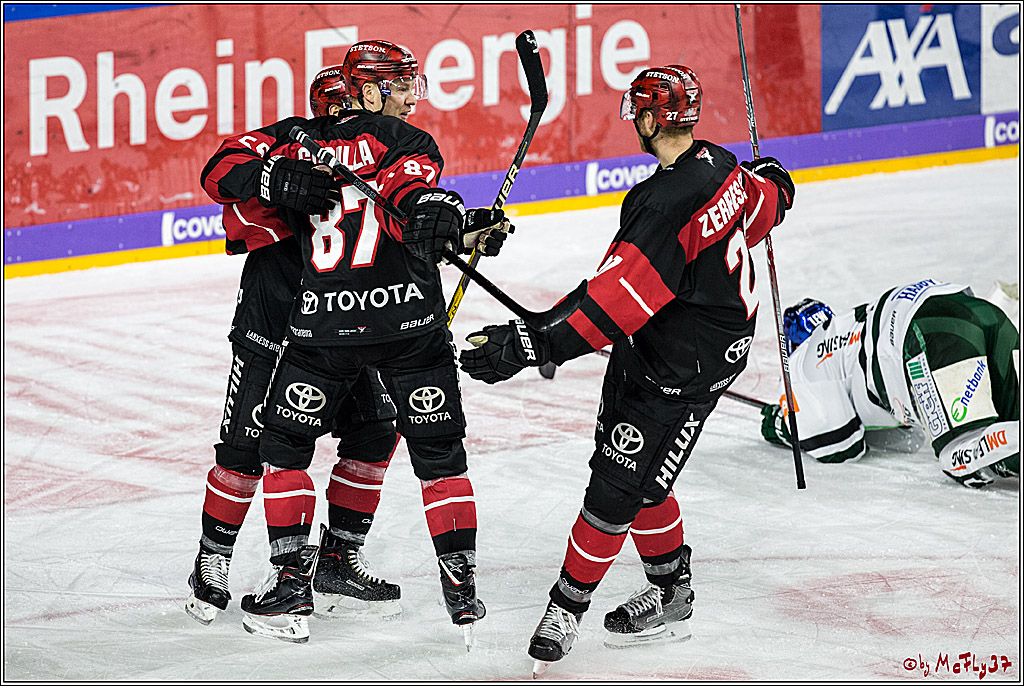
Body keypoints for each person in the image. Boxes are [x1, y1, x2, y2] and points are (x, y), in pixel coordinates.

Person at [459, 65, 795, 671]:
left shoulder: (661, 205)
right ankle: (670, 589)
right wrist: (775, 179)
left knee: (615, 487)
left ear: (648, 119)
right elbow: (770, 202)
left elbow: (614, 304)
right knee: (645, 481)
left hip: (676, 372)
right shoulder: (724, 167)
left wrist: (527, 346)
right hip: (679, 352)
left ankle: (566, 607)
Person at [198, 40, 507, 644]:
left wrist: (462, 229)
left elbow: (406, 215)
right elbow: (222, 175)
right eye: (334, 107)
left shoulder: (317, 148)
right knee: (245, 444)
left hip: (330, 325)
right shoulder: (319, 148)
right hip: (280, 323)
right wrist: (272, 179)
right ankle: (213, 563)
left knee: (372, 433)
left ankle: (334, 561)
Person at [759, 281, 1019, 488]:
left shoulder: (802, 358)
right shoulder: (844, 333)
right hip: (978, 311)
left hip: (927, 331)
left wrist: (785, 424)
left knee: (958, 455)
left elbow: (838, 446)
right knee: (1009, 424)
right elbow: (907, 438)